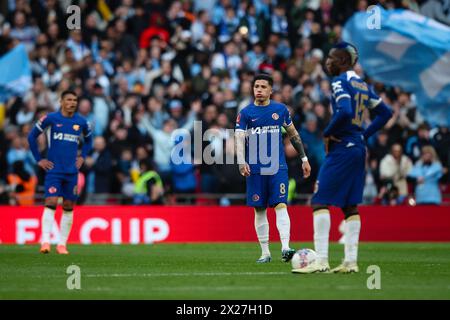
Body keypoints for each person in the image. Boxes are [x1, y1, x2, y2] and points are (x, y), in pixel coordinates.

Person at [292, 43, 392, 274]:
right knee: (349, 206)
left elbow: (345, 110)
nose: (328, 62)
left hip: (342, 148)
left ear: (344, 61)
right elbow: (385, 113)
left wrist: (328, 133)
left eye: (332, 57)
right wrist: (363, 134)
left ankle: (321, 261)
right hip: (357, 147)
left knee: (319, 201)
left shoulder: (339, 82)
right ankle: (350, 261)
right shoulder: (362, 84)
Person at [235, 73, 312, 264]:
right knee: (259, 209)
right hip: (254, 168)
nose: (259, 90)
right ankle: (265, 253)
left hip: (277, 167)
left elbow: (293, 134)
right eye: (256, 87)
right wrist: (241, 161)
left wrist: (304, 158)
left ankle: (286, 247)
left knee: (280, 204)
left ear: (271, 90)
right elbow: (239, 138)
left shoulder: (280, 110)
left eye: (263, 87)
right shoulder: (245, 113)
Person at [28, 90, 93, 254]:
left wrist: (83, 156)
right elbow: (31, 136)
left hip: (72, 172)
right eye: (69, 100)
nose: (72, 103)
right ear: (61, 101)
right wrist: (38, 159)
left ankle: (62, 244)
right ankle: (45, 241)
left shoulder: (81, 122)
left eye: (75, 100)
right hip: (54, 170)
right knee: (50, 201)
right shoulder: (51, 118)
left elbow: (89, 140)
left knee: (68, 205)